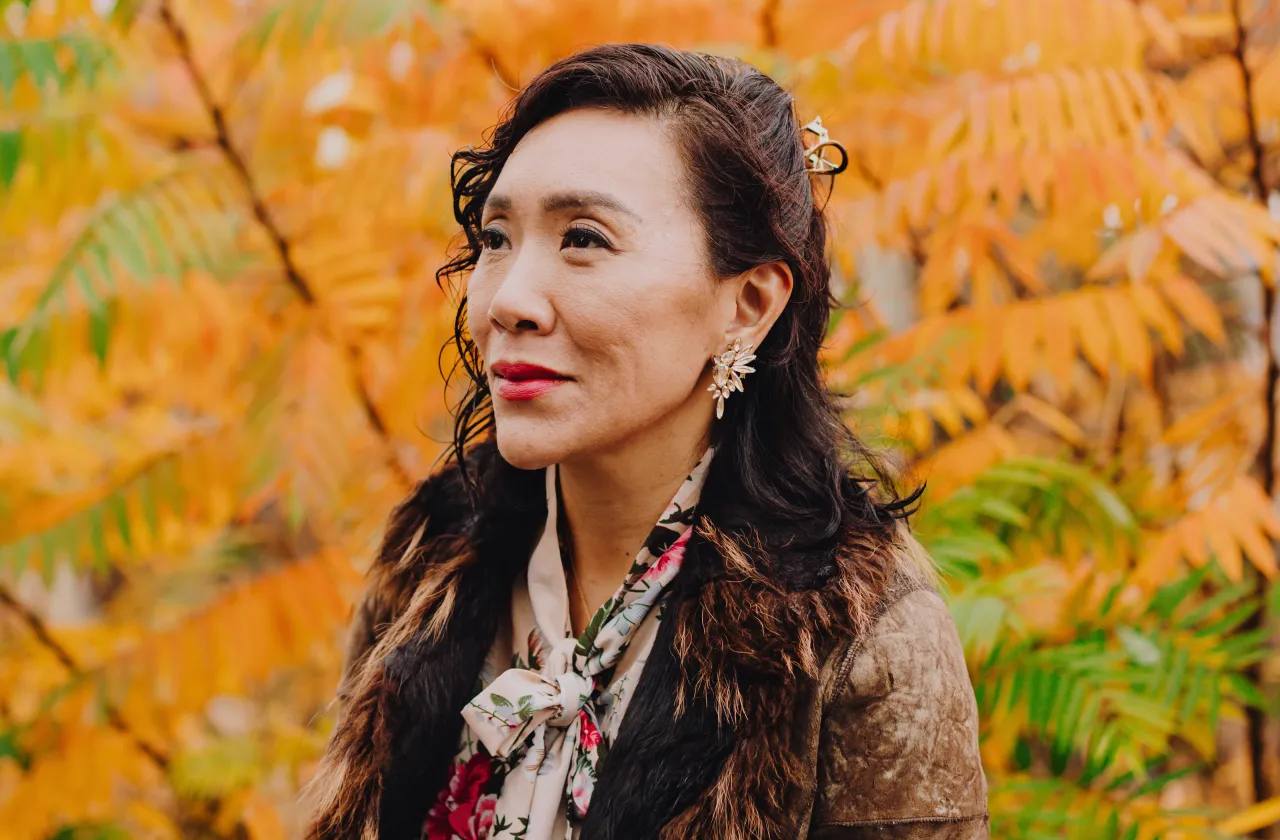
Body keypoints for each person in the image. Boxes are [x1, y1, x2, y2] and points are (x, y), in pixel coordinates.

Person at [301, 42, 988, 840]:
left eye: (584, 238)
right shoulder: (434, 561)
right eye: (496, 239)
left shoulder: (856, 635)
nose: (508, 301)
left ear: (748, 305)